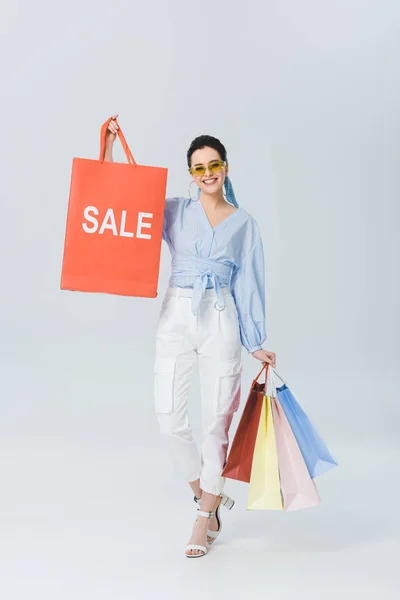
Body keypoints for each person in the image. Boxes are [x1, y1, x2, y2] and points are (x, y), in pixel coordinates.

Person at [104, 115, 276, 559]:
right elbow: (122, 202)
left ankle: (204, 519)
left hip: (221, 317)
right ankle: (209, 496)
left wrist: (255, 339)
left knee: (216, 420)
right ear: (190, 175)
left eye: (213, 164)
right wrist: (108, 152)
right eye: (198, 168)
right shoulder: (175, 211)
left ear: (225, 166)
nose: (208, 173)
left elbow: (250, 284)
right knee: (169, 418)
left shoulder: (244, 225)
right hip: (177, 314)